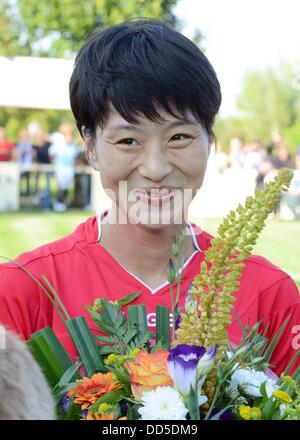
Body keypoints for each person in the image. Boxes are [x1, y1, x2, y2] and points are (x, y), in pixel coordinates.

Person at [0, 19, 299, 378]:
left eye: (179, 137)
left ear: (211, 142)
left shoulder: (272, 294)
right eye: (128, 140)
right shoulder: (22, 291)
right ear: (91, 148)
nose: (155, 168)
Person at [49, 124, 80, 212]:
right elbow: (51, 153)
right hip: (60, 167)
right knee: (62, 186)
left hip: (69, 167)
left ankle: (61, 203)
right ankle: (59, 203)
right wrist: (53, 164)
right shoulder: (59, 143)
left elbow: (76, 156)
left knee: (66, 186)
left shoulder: (73, 144)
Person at [32, 129, 52, 210]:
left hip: (47, 169)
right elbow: (33, 158)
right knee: (37, 187)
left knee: (47, 188)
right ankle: (37, 205)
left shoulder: (49, 144)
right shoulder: (34, 146)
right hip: (38, 170)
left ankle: (47, 205)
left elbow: (51, 156)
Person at [15, 128, 34, 196]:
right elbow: (16, 155)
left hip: (27, 165)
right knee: (18, 182)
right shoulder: (18, 144)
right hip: (20, 165)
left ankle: (27, 195)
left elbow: (33, 154)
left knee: (27, 182)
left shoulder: (30, 144)